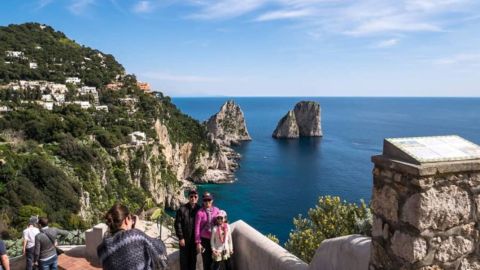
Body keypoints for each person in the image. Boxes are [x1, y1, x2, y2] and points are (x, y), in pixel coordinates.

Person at [97, 203, 168, 270]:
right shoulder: (135, 236)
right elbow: (160, 248)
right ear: (126, 220)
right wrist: (139, 230)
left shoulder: (101, 250)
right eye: (131, 218)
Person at [174, 190, 201, 270]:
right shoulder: (182, 209)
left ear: (197, 198)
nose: (193, 198)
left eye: (195, 197)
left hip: (194, 240)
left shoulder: (200, 210)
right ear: (188, 197)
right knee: (184, 261)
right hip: (184, 240)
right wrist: (181, 237)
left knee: (193, 260)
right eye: (191, 196)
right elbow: (177, 224)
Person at [195, 192, 220, 270]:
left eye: (209, 200)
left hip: (215, 239)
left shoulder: (216, 210)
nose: (207, 202)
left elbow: (221, 221)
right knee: (206, 261)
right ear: (203, 201)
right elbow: (197, 228)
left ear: (212, 200)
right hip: (204, 240)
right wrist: (198, 243)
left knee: (216, 259)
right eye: (205, 200)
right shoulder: (200, 213)